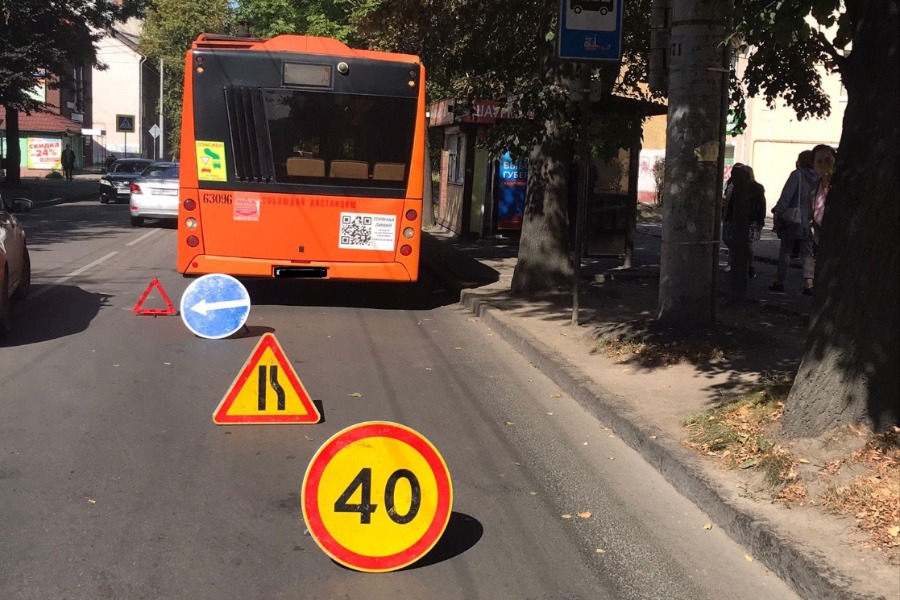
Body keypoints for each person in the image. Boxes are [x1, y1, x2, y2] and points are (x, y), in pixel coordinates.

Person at [770, 150, 819, 295]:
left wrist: (778, 211)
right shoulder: (818, 177)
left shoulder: (796, 175)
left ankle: (780, 282)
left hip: (793, 219)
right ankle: (809, 284)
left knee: (785, 251)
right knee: (807, 254)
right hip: (808, 219)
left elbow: (787, 196)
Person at [722, 164, 765, 278]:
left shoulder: (756, 187)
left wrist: (761, 220)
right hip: (735, 219)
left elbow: (761, 204)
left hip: (751, 219)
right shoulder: (733, 185)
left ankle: (750, 265)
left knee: (748, 244)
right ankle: (736, 263)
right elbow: (730, 203)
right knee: (732, 241)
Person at [809, 144, 836, 246]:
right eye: (819, 161)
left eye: (827, 160)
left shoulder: (843, 184)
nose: (824, 164)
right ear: (814, 166)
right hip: (823, 241)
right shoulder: (814, 188)